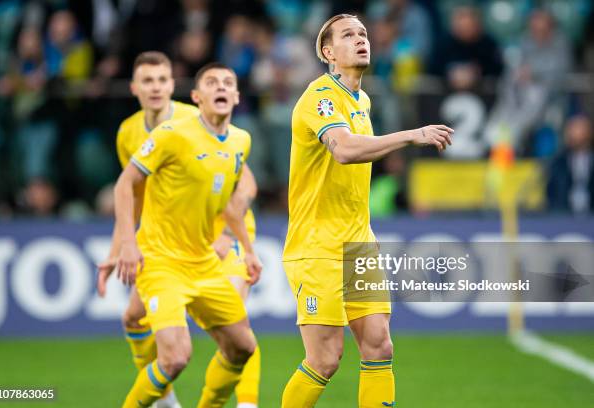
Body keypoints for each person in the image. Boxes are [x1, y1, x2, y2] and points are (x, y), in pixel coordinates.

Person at [281, 14, 452, 407]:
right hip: (318, 245)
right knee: (324, 359)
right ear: (328, 52)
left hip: (359, 244)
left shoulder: (362, 99)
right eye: (348, 35)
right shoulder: (319, 96)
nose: (361, 39)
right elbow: (344, 150)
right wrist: (412, 135)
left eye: (363, 33)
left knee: (379, 346)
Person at [99, 57, 262, 407]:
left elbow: (238, 188)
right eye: (147, 80)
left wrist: (241, 244)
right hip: (161, 258)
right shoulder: (155, 134)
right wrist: (123, 245)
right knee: (171, 352)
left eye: (162, 79)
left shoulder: (238, 139)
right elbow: (129, 189)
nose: (156, 87)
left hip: (207, 252)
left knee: (243, 345)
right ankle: (165, 400)